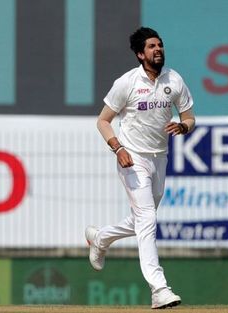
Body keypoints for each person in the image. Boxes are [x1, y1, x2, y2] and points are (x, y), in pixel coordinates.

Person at [85, 26, 195, 309]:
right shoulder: (127, 83)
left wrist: (183, 126)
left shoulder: (174, 79)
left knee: (141, 220)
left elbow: (189, 117)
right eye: (151, 47)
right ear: (139, 54)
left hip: (160, 157)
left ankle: (101, 238)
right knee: (147, 219)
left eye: (160, 45)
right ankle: (159, 289)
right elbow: (103, 120)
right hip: (132, 159)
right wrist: (118, 148)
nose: (157, 49)